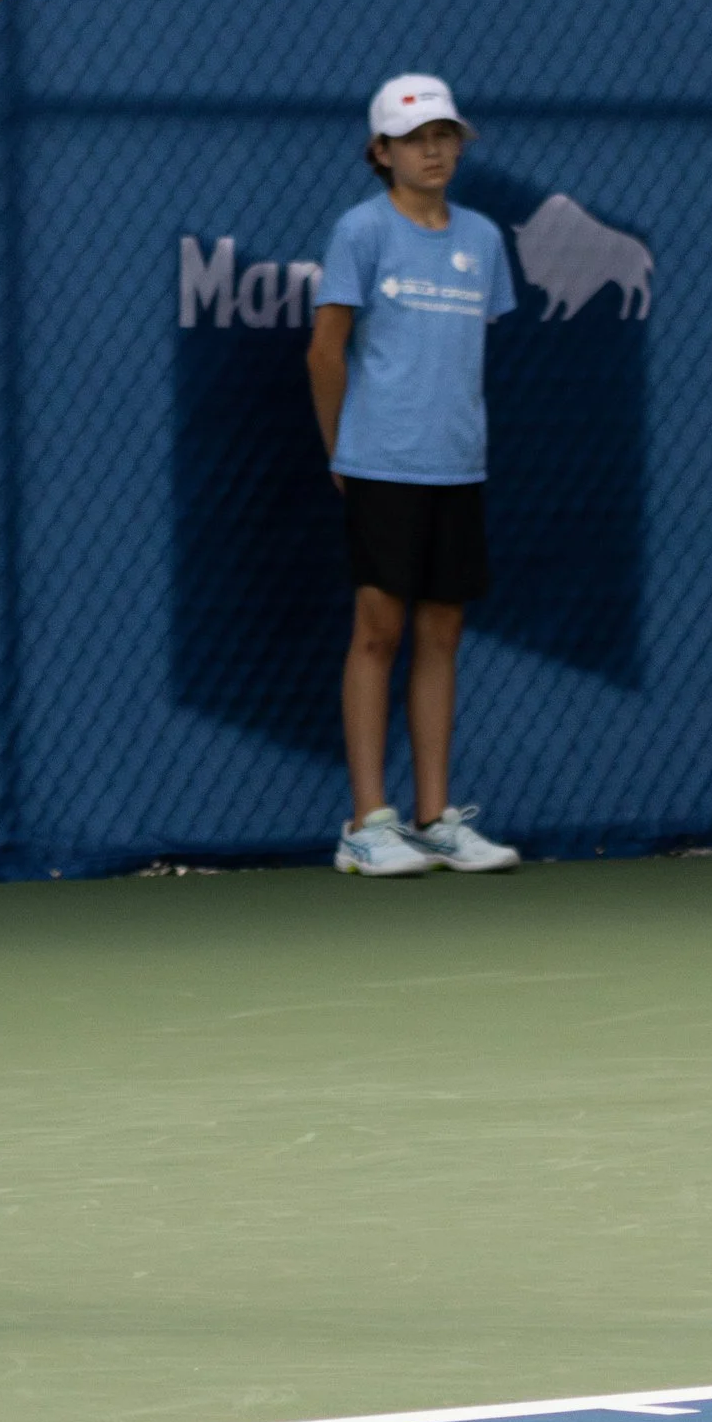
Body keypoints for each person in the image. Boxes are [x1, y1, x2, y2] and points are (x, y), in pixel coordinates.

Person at [306, 76, 522, 878]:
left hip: (458, 466)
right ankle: (367, 821)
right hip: (379, 464)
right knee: (378, 632)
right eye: (417, 137)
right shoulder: (360, 232)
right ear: (382, 152)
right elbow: (324, 352)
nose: (434, 150)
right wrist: (342, 451)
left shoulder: (483, 240)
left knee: (441, 635)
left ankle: (433, 817)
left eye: (446, 135)